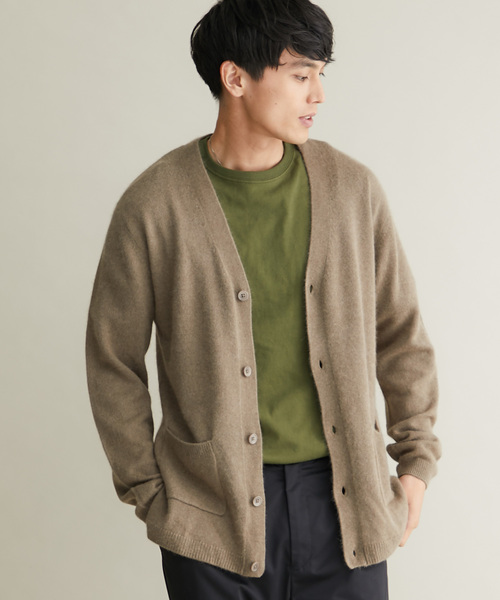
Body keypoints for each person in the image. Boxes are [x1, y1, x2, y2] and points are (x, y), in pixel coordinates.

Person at [86, 0, 441, 598]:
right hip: (211, 515)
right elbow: (111, 359)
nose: (318, 95)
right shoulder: (154, 205)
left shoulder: (352, 192)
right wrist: (148, 490)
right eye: (301, 75)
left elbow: (401, 333)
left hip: (346, 503)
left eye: (320, 74)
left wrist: (416, 465)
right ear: (235, 78)